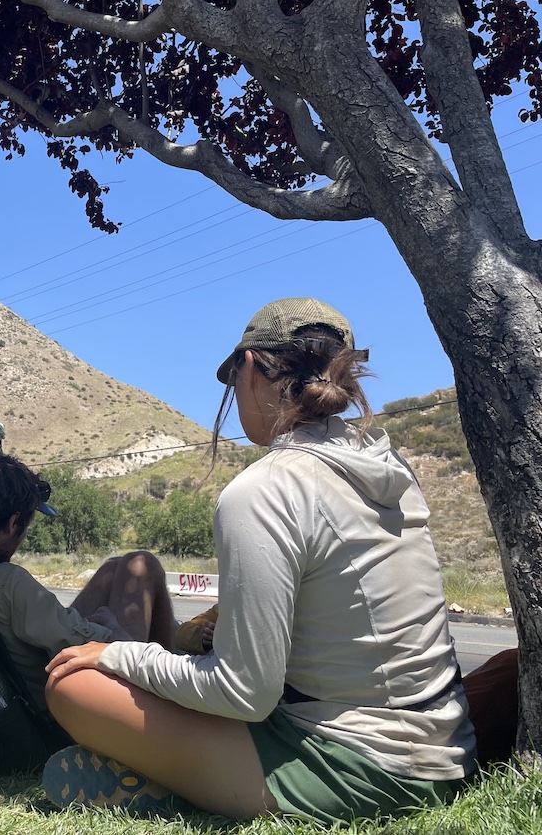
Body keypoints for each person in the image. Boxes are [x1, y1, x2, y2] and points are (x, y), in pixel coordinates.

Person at [44, 297, 476, 823]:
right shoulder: (390, 467)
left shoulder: (264, 489)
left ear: (248, 368)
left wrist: (119, 656)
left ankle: (180, 786)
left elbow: (243, 691)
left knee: (71, 686)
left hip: (363, 768)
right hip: (449, 751)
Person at [0, 453, 175, 714]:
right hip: (50, 714)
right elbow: (105, 646)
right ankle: (170, 705)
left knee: (113, 568)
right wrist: (114, 630)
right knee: (142, 564)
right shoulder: (7, 582)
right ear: (13, 524)